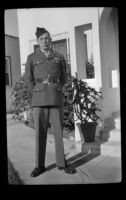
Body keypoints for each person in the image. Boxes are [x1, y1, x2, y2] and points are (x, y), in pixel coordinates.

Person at [24, 27, 76, 177]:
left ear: (50, 40)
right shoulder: (32, 57)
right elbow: (28, 79)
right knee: (40, 132)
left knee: (58, 131)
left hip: (55, 96)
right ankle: (39, 166)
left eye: (47, 38)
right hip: (39, 98)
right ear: (37, 41)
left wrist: (60, 87)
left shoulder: (58, 56)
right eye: (41, 39)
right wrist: (36, 90)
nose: (44, 41)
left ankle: (61, 163)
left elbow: (64, 76)